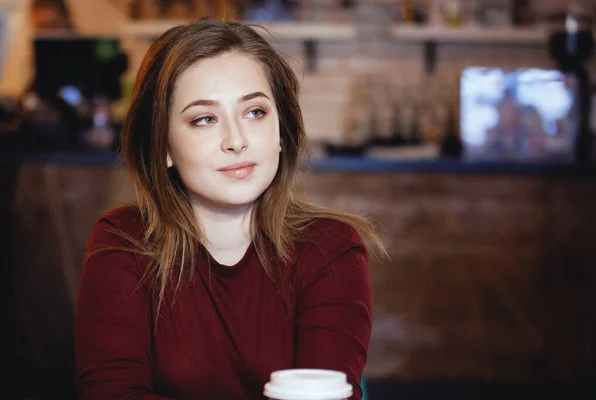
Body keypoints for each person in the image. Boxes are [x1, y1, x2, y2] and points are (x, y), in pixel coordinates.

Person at [74, 18, 385, 400]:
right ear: (164, 146)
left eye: (254, 112)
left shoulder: (330, 248)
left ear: (282, 131)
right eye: (204, 119)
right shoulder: (124, 241)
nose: (236, 140)